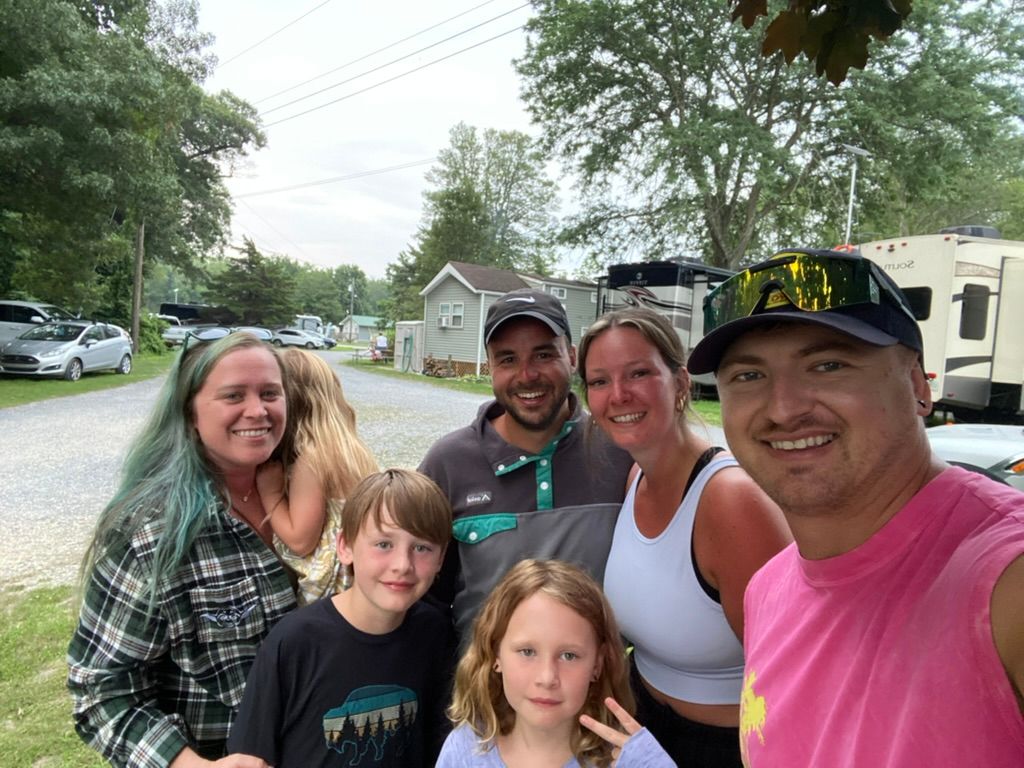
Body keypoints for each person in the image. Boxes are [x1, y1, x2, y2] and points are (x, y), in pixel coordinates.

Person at [685, 248, 1024, 766]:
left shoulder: (1004, 583)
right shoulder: (767, 590)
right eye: (748, 377)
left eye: (828, 364)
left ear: (916, 383)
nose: (783, 408)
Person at [68, 330, 298, 768]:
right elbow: (102, 690)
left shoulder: (317, 497)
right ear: (189, 413)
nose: (258, 410)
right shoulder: (151, 535)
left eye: (271, 393)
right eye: (233, 395)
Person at [576, 307, 791, 768]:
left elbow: (791, 677)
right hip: (641, 724)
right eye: (598, 381)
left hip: (721, 746)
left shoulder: (731, 501)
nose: (618, 394)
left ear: (681, 384)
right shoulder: (636, 477)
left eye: (638, 373)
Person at [419, 287, 633, 641]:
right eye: (507, 359)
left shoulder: (621, 453)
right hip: (481, 690)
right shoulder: (448, 463)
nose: (526, 374)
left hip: (598, 688)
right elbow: (424, 597)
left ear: (572, 357)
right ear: (490, 368)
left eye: (543, 354)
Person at [227, 469, 456, 768]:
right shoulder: (295, 641)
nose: (402, 565)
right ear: (345, 546)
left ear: (440, 558)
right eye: (384, 544)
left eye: (422, 548)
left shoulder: (435, 634)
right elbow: (251, 757)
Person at [436, 559, 677, 768]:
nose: (547, 677)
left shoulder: (624, 760)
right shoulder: (465, 750)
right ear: (495, 653)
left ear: (597, 664)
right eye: (527, 651)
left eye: (569, 656)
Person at [256, 348, 378, 605]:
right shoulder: (351, 451)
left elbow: (301, 540)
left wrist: (271, 494)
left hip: (329, 597)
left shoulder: (311, 461)